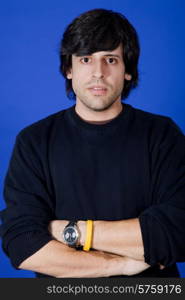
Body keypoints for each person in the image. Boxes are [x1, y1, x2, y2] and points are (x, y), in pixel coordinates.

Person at [0, 8, 185, 278]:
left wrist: (68, 231)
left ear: (128, 71)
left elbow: (177, 232)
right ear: (69, 70)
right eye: (86, 59)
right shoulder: (34, 141)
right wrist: (118, 265)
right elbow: (23, 244)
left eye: (110, 59)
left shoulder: (163, 135)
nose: (98, 72)